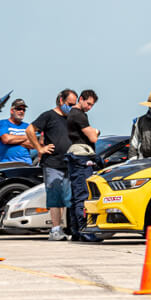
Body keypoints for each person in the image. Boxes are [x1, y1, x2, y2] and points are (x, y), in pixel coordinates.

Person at [26, 89, 76, 241]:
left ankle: (61, 228)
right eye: (69, 104)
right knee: (55, 197)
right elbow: (29, 130)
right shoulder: (49, 116)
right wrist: (39, 148)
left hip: (68, 163)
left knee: (65, 198)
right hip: (53, 164)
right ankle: (54, 230)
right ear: (61, 100)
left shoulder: (72, 118)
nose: (72, 107)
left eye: (74, 105)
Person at [66, 89, 101, 242]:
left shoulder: (73, 115)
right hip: (81, 157)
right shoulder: (78, 115)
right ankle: (85, 231)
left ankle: (76, 231)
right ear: (81, 99)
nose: (89, 107)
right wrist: (97, 131)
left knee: (76, 196)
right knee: (83, 195)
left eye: (92, 105)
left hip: (74, 156)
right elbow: (93, 137)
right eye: (88, 103)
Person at [0, 98, 31, 164]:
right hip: (8, 165)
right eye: (19, 109)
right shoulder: (4, 123)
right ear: (12, 110)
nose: (21, 111)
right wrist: (27, 137)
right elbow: (6, 139)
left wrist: (13, 139)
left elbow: (32, 144)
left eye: (24, 110)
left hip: (26, 164)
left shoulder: (27, 126)